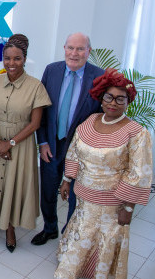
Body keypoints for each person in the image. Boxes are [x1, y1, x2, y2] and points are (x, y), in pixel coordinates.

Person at [54, 69, 152, 279]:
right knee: (81, 232)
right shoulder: (91, 121)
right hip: (83, 196)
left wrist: (129, 207)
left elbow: (139, 172)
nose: (113, 103)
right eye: (109, 97)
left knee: (103, 242)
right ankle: (72, 268)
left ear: (128, 101)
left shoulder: (136, 133)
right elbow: (74, 151)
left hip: (111, 203)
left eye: (120, 99)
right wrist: (67, 180)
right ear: (101, 97)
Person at [31, 32, 104, 246]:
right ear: (64, 48)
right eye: (70, 48)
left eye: (80, 49)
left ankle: (70, 236)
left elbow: (100, 115)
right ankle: (50, 228)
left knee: (74, 194)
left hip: (80, 148)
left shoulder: (99, 76)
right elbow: (41, 109)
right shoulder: (51, 70)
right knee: (48, 190)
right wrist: (42, 142)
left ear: (88, 51)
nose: (74, 53)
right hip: (52, 144)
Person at [0, 34, 51, 252]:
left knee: (14, 184)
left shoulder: (35, 86)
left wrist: (9, 143)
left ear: (25, 59)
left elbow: (35, 123)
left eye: (17, 58)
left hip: (21, 143)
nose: (11, 63)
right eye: (7, 58)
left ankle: (10, 227)